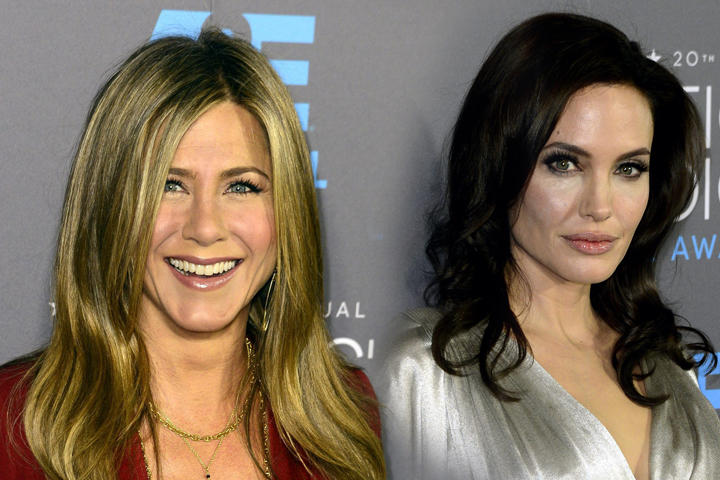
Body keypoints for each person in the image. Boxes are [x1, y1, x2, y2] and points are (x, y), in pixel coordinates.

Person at [0, 29, 385, 480]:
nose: (204, 228)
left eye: (241, 187)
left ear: (289, 211)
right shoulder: (14, 425)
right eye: (170, 185)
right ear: (110, 206)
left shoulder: (343, 416)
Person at [381, 12, 720, 480]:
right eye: (564, 164)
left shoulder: (669, 367)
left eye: (628, 169)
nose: (600, 206)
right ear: (500, 165)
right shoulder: (423, 370)